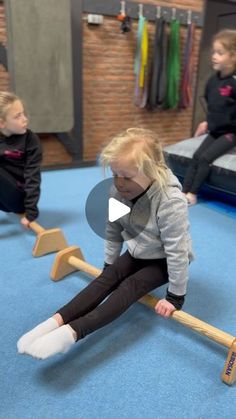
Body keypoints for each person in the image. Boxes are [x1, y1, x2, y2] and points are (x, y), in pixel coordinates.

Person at [17, 128, 193, 360]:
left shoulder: (170, 202)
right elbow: (114, 230)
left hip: (163, 261)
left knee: (130, 287)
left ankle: (72, 333)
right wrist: (110, 265)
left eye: (127, 176)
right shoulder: (117, 192)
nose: (119, 183)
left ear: (154, 171)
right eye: (115, 174)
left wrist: (174, 297)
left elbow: (177, 251)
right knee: (105, 280)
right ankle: (52, 323)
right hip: (137, 251)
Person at [183, 29, 236, 205]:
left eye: (220, 53)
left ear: (233, 56)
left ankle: (193, 193)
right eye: (214, 52)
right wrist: (206, 122)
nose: (214, 56)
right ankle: (183, 191)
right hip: (215, 129)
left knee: (206, 158)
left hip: (230, 132)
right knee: (197, 155)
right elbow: (214, 106)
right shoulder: (213, 81)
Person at [0, 91, 42, 227]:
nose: (25, 119)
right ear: (2, 123)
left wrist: (31, 213)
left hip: (19, 199)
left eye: (23, 113)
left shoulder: (30, 140)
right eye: (18, 116)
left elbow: (33, 177)